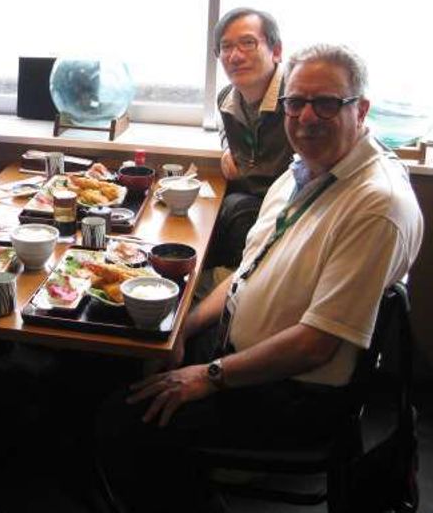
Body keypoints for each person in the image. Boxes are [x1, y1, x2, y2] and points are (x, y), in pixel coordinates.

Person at [97, 44, 424, 512]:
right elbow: (244, 274)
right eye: (295, 102)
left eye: (327, 102)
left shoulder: (375, 204)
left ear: (361, 109)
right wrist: (185, 329)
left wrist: (208, 375)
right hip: (242, 354)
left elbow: (317, 344)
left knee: (124, 422)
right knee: (131, 351)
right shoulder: (302, 173)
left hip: (297, 391)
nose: (306, 116)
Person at [209, 8, 294, 269]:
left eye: (248, 43)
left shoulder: (296, 97)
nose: (235, 56)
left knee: (237, 209)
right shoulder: (226, 98)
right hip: (252, 200)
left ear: (276, 50)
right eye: (225, 47)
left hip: (291, 210)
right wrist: (227, 149)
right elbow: (224, 127)